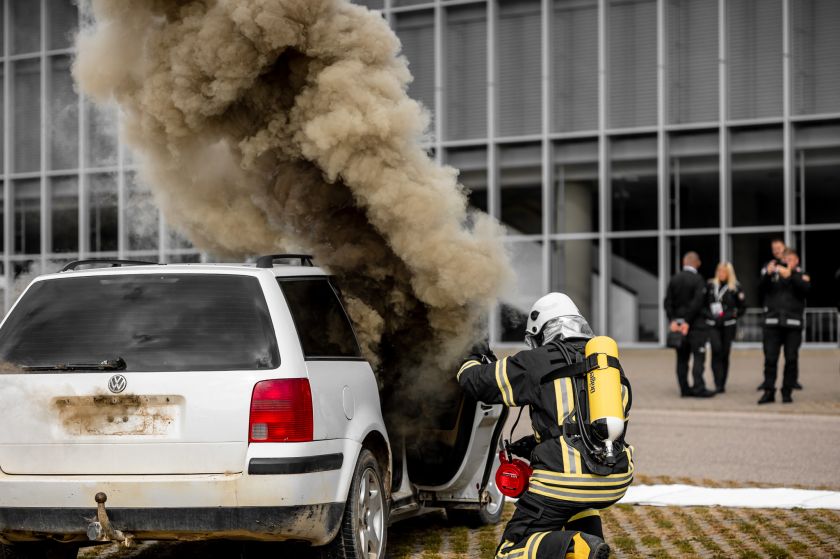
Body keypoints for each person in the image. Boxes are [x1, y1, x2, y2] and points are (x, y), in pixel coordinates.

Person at [457, 293, 632, 559]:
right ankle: (592, 537)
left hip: (563, 483)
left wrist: (472, 353)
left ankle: (580, 547)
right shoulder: (607, 366)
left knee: (510, 552)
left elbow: (474, 382)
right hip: (615, 481)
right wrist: (540, 444)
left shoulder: (536, 361)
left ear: (542, 332)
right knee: (577, 499)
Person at [758, 248, 811, 404]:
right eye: (785, 259)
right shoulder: (773, 276)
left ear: (796, 261)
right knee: (770, 359)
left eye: (790, 260)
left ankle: (787, 392)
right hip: (772, 324)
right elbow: (760, 289)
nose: (786, 262)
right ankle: (768, 391)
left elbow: (807, 290)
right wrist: (767, 274)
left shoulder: (801, 276)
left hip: (793, 326)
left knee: (791, 359)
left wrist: (792, 276)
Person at [664, 252, 715, 398]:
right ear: (697, 263)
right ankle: (699, 388)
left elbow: (667, 302)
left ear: (683, 262)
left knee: (682, 359)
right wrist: (686, 321)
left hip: (678, 327)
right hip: (696, 327)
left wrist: (673, 320)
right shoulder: (698, 280)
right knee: (699, 357)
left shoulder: (675, 279)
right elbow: (697, 303)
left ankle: (684, 389)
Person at [703, 262, 746, 393]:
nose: (721, 274)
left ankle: (722, 383)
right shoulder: (710, 285)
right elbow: (703, 304)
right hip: (713, 324)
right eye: (719, 271)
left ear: (729, 273)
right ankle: (716, 381)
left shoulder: (736, 287)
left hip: (728, 325)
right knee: (716, 350)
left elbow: (742, 307)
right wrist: (709, 316)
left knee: (724, 353)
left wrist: (732, 315)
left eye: (724, 272)